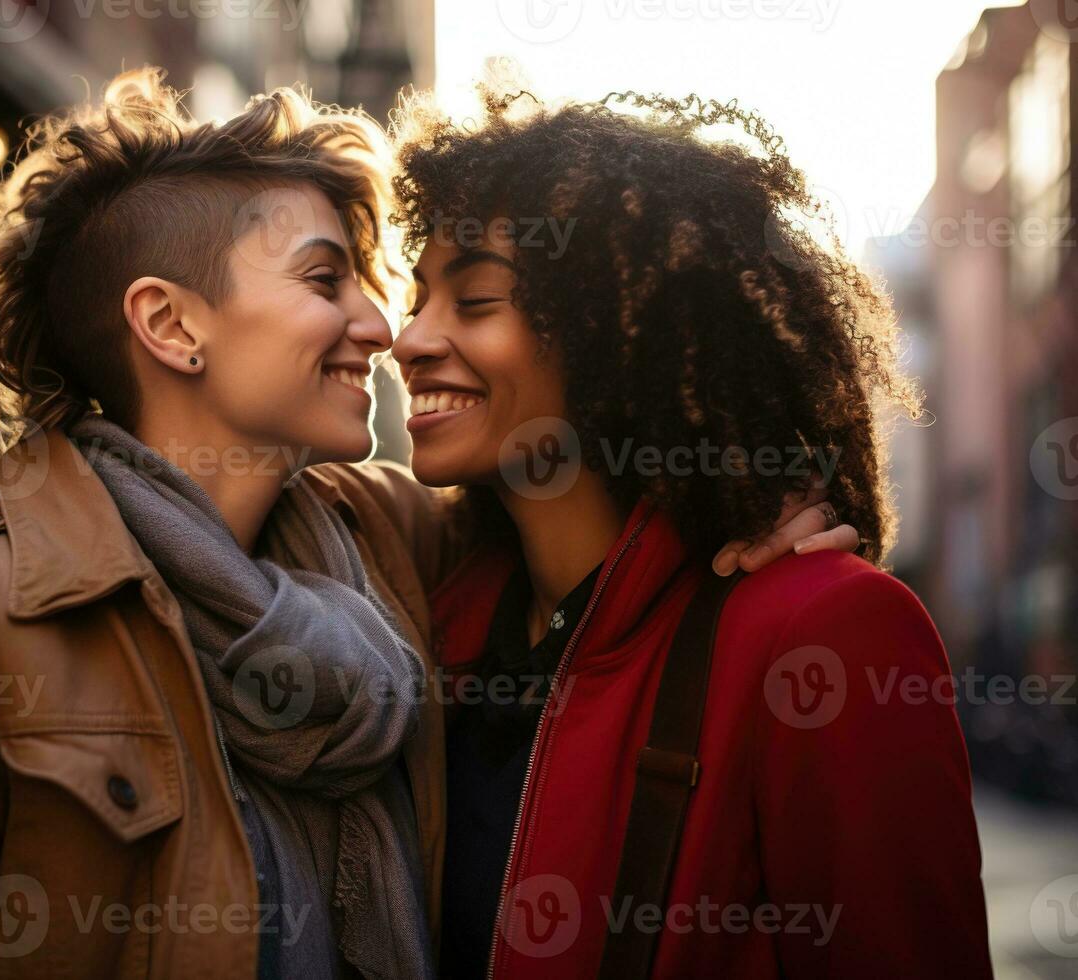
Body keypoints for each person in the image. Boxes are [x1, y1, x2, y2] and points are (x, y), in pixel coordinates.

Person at [0, 69, 851, 979]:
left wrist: (763, 498)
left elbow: (612, 511)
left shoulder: (403, 549)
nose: (379, 324)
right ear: (170, 324)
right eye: (327, 279)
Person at [388, 82, 992, 978]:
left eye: (474, 301)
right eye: (418, 296)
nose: (410, 339)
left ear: (615, 337)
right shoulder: (431, 620)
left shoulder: (821, 635)